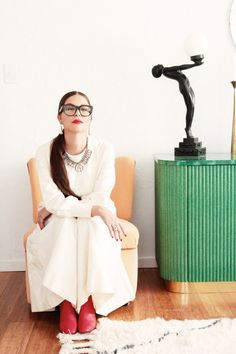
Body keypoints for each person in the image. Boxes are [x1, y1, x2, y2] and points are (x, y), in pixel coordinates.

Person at [26, 91, 135, 334]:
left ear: (91, 118)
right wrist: (90, 209)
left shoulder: (105, 149)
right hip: (65, 214)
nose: (77, 114)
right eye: (70, 109)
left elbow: (101, 193)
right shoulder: (45, 151)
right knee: (66, 225)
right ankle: (67, 301)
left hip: (93, 212)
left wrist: (87, 208)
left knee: (89, 225)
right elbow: (53, 199)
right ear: (59, 117)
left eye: (84, 109)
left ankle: (85, 300)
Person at [152, 60, 203, 139]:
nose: (158, 64)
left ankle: (189, 128)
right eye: (156, 66)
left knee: (192, 108)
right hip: (185, 87)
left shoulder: (166, 71)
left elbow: (179, 68)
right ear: (158, 70)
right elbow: (180, 66)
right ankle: (188, 129)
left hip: (187, 87)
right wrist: (194, 65)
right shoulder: (165, 70)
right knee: (190, 108)